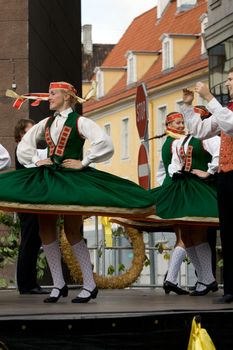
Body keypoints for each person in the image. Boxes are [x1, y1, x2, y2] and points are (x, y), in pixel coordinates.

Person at [0, 81, 155, 304]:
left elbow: (104, 143)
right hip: (49, 177)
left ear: (67, 96)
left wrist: (85, 161)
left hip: (70, 179)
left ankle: (89, 284)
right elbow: (24, 146)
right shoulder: (46, 122)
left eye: (53, 94)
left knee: (72, 230)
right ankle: (58, 283)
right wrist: (36, 160)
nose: (49, 97)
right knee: (45, 230)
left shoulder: (80, 121)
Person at [149, 111, 220, 296]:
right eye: (181, 121)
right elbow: (171, 166)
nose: (185, 124)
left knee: (194, 233)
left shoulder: (207, 138)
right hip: (182, 190)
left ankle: (205, 279)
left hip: (198, 190)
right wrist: (176, 174)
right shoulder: (180, 141)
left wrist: (209, 172)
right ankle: (206, 279)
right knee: (189, 235)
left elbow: (219, 154)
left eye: (187, 121)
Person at [182, 67, 233, 303]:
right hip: (226, 174)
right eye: (229, 79)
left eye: (232, 79)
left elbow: (230, 125)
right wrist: (187, 106)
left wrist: (210, 97)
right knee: (228, 233)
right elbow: (199, 130)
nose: (229, 82)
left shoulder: (226, 112)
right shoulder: (227, 109)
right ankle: (230, 290)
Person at [14, 119, 49, 295]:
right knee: (29, 241)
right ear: (21, 134)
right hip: (27, 200)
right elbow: (36, 165)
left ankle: (28, 283)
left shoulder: (31, 149)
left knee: (33, 241)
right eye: (29, 131)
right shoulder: (23, 149)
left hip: (31, 199)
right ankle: (26, 284)